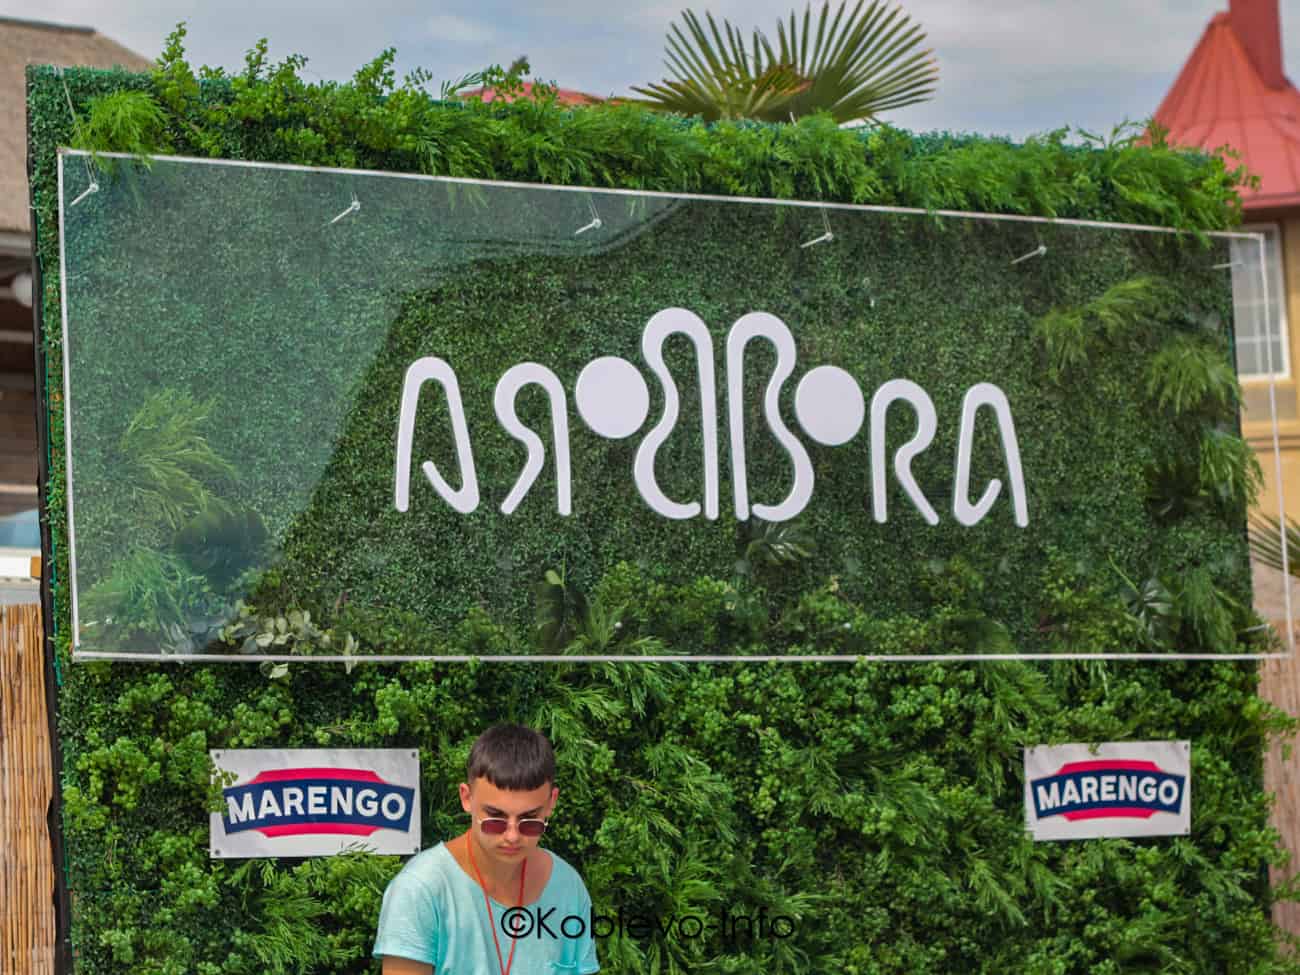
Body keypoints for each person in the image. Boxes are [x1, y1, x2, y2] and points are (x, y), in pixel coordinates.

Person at [374, 723, 600, 974]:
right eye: (496, 818)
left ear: (551, 803)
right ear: (466, 798)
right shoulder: (420, 890)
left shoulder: (568, 886)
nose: (512, 836)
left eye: (529, 820)